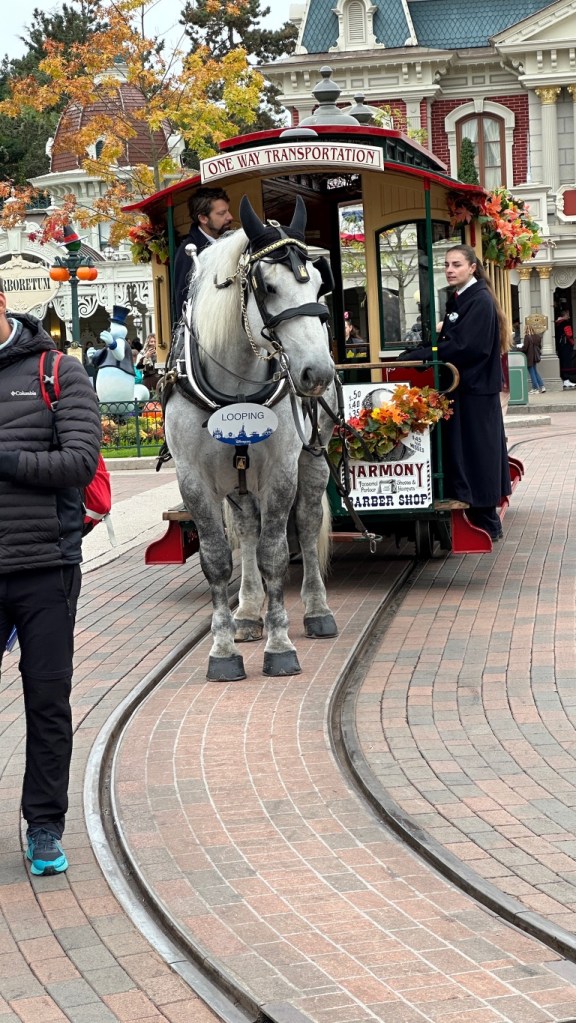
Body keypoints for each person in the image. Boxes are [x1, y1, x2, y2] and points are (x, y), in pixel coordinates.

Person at [0, 279, 101, 875]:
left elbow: (80, 461)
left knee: (46, 698)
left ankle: (44, 826)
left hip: (44, 564)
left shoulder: (58, 371)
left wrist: (5, 461)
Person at [400, 244, 511, 541]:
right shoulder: (464, 298)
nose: (449, 269)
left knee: (478, 453)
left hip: (474, 391)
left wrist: (425, 354)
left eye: (457, 264)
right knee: (470, 452)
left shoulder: (479, 301)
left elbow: (466, 347)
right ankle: (477, 513)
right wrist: (426, 350)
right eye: (447, 264)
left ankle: (486, 519)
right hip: (464, 390)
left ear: (472, 268)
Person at [173, 187, 233, 320]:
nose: (230, 217)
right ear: (203, 218)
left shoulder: (228, 241)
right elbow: (183, 302)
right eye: (222, 213)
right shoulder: (188, 251)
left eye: (228, 211)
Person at [555, 305, 576, 389]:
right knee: (566, 362)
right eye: (568, 314)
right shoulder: (565, 323)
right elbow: (569, 334)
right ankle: (566, 380)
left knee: (562, 362)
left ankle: (564, 379)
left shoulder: (556, 323)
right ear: (565, 314)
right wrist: (572, 343)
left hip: (559, 346)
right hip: (565, 345)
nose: (569, 316)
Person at [521, 328, 546, 394]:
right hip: (535, 357)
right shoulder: (537, 337)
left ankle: (535, 388)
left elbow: (525, 348)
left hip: (529, 357)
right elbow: (540, 347)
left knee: (532, 373)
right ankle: (542, 386)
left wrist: (519, 348)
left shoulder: (527, 337)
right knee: (535, 372)